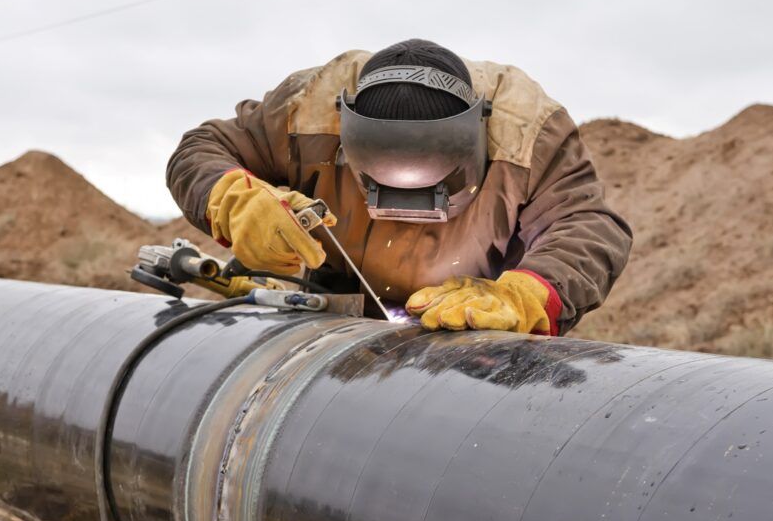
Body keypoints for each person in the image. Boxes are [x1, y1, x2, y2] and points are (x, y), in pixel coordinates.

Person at [166, 39, 631, 335]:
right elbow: (203, 149)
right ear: (346, 130)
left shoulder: (528, 135)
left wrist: (527, 293)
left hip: (471, 336)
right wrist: (235, 199)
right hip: (331, 317)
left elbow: (587, 225)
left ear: (479, 131)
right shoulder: (306, 111)